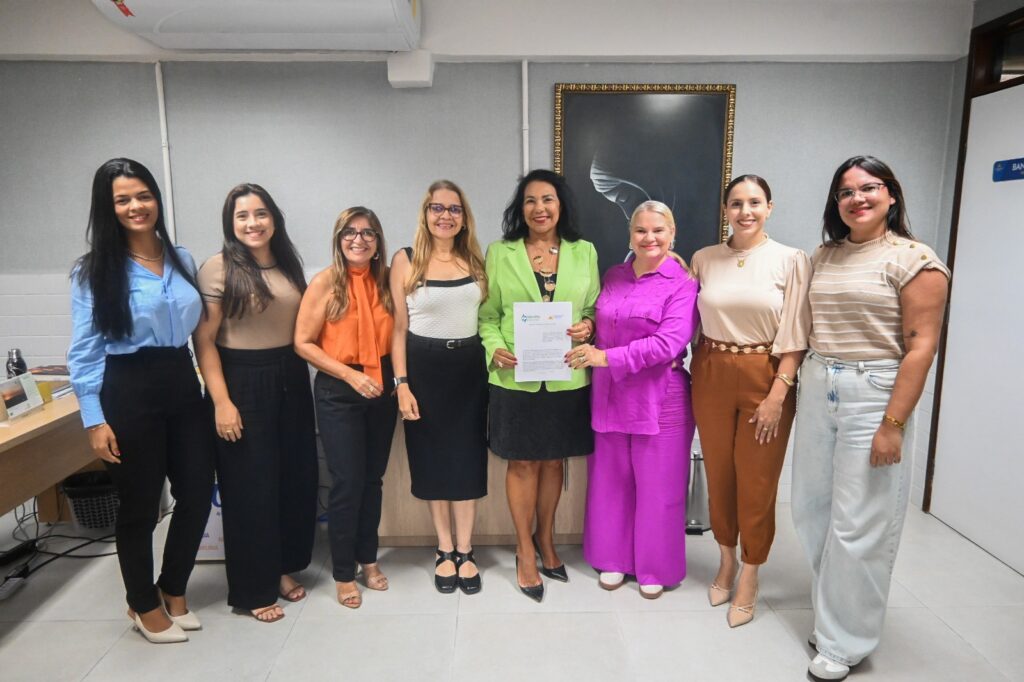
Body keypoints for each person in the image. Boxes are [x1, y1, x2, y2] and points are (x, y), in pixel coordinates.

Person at [792, 156, 949, 681]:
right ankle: (833, 617)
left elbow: (921, 348)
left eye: (869, 188)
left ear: (891, 195)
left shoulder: (915, 259)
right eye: (846, 192)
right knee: (811, 510)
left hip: (874, 391)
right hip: (820, 381)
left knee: (860, 522)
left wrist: (893, 425)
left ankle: (844, 642)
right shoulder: (826, 254)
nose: (857, 198)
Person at [67, 158, 215, 643]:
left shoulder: (181, 258)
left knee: (197, 491)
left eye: (143, 195)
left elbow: (198, 331)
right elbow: (85, 349)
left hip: (181, 380)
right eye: (123, 199)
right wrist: (94, 419)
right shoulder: (94, 271)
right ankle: (142, 603)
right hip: (127, 387)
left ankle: (173, 587)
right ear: (107, 208)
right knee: (140, 505)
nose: (136, 206)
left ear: (156, 199)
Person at [689, 175, 811, 627]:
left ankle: (751, 572)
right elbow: (683, 316)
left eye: (755, 203)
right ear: (725, 209)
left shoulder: (791, 260)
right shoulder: (704, 259)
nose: (746, 211)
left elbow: (797, 331)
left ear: (769, 208)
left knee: (757, 480)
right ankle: (725, 560)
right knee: (720, 472)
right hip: (711, 370)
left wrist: (779, 392)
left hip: (767, 374)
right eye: (737, 203)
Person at [194, 183, 318, 623]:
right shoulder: (218, 268)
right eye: (243, 216)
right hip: (242, 380)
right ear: (231, 223)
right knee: (251, 488)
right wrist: (221, 402)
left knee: (293, 479)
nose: (253, 223)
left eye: (260, 213)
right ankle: (252, 590)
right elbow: (204, 341)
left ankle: (281, 568)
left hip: (291, 376)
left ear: (274, 218)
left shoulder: (287, 263)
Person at [479, 169, 600, 603]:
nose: (539, 208)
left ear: (560, 205)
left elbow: (593, 309)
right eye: (530, 200)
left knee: (553, 463)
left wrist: (588, 327)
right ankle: (524, 549)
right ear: (521, 208)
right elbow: (488, 316)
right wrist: (494, 348)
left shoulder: (584, 251)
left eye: (547, 199)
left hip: (565, 375)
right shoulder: (500, 252)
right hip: (516, 377)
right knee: (523, 463)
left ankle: (546, 538)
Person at [574, 200, 699, 599]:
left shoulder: (683, 284)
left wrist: (604, 358)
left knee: (659, 487)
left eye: (658, 230)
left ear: (672, 233)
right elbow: (603, 323)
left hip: (660, 398)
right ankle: (612, 558)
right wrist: (587, 330)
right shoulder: (614, 275)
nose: (649, 238)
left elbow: (667, 344)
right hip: (609, 395)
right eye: (641, 230)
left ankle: (654, 566)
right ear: (630, 236)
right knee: (610, 481)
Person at [389, 180, 489, 595]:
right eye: (437, 208)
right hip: (423, 370)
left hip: (469, 369)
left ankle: (466, 550)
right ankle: (444, 549)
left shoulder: (476, 259)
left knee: (467, 460)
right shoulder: (406, 259)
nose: (445, 215)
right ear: (425, 213)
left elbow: (489, 317)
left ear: (464, 217)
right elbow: (398, 328)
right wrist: (401, 384)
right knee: (431, 460)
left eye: (454, 208)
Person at [294, 206, 396, 609]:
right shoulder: (325, 282)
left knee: (372, 480)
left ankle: (368, 559)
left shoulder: (387, 281)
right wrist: (351, 377)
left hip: (382, 386)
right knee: (347, 482)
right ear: (339, 240)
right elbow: (303, 343)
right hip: (340, 388)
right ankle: (342, 572)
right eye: (350, 232)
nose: (359, 239)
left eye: (368, 233)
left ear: (378, 241)